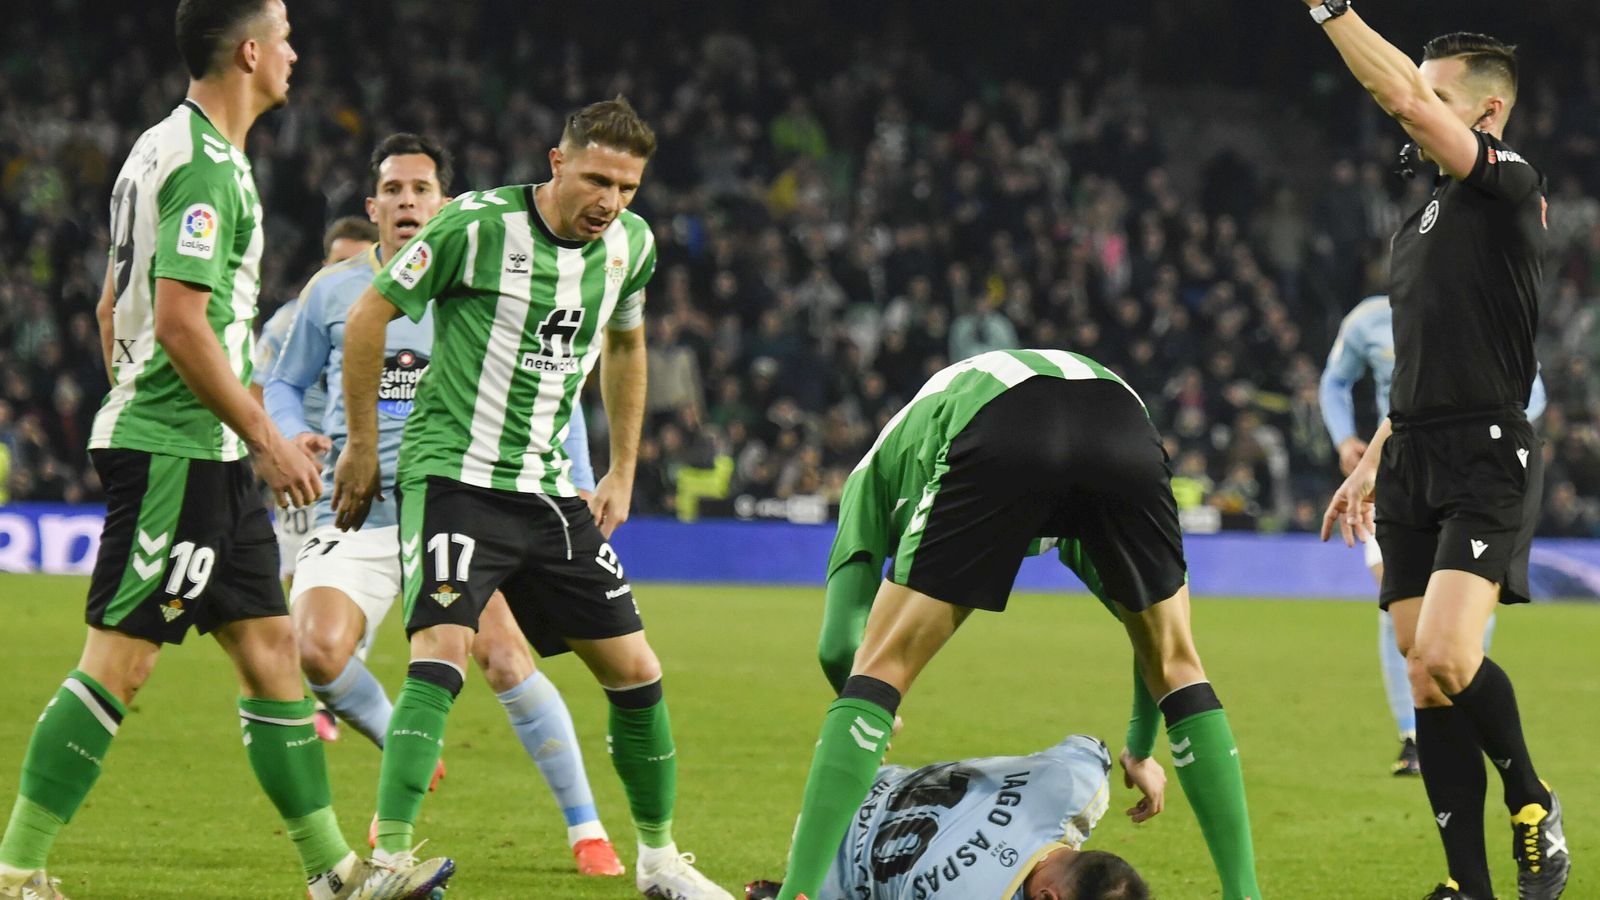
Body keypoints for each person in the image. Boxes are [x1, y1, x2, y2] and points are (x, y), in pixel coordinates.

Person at [0, 3, 450, 898]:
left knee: (273, 655)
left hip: (201, 449)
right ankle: (15, 870)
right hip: (182, 453)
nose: (294, 52)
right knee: (121, 662)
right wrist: (261, 437)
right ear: (249, 52)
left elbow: (112, 308)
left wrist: (192, 417)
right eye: (282, 36)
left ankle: (335, 874)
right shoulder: (206, 165)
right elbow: (179, 323)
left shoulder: (155, 149)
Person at [330, 97, 733, 899]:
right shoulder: (475, 227)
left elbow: (626, 345)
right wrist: (364, 446)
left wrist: (621, 469)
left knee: (636, 670)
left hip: (546, 490)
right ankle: (388, 863)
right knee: (443, 648)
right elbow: (370, 316)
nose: (610, 201)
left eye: (626, 187)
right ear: (557, 163)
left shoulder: (632, 245)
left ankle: (660, 861)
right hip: (454, 477)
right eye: (596, 180)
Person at [774, 349, 1260, 900]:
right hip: (1123, 421)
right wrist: (1139, 748)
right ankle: (1245, 894)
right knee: (1180, 662)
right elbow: (1149, 638)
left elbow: (838, 645)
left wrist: (871, 722)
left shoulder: (871, 477)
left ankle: (797, 894)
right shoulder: (1072, 512)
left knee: (881, 668)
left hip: (997, 422)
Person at [265, 133, 624, 877]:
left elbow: (552, 390)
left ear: (446, 204)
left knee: (504, 657)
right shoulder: (333, 291)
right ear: (373, 207)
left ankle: (587, 829)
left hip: (459, 506)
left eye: (421, 189)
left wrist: (584, 476)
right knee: (316, 649)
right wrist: (294, 432)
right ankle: (402, 739)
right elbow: (285, 381)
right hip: (360, 509)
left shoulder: (481, 279)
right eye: (393, 190)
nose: (407, 202)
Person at [1311, 9, 1570, 898]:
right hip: (1411, 455)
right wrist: (1372, 458)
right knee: (1424, 679)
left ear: (1487, 113)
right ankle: (1469, 888)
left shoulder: (1508, 183)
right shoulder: (1418, 220)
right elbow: (1426, 363)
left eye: (1436, 94)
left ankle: (1533, 799)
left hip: (1485, 450)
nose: (1413, 105)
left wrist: (1330, 11)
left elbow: (1403, 101)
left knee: (1451, 656)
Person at [1319, 294, 1545, 776]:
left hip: (1474, 481)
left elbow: (1534, 391)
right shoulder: (1368, 320)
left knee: (1460, 611)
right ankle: (1413, 733)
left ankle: (1463, 708)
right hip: (1398, 479)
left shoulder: (1483, 312)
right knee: (1399, 606)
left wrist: (1496, 439)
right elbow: (1335, 381)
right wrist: (1346, 441)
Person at [747, 734, 1150, 900]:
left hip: (857, 786)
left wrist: (1141, 757)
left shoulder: (1079, 785)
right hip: (825, 867)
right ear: (1048, 898)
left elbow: (1090, 747)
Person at [254, 215, 378, 744]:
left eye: (357, 260)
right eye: (339, 261)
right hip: (304, 468)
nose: (348, 271)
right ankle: (316, 686)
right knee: (298, 579)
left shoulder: (395, 312)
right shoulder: (291, 320)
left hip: (365, 467)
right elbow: (260, 389)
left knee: (354, 583)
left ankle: (332, 696)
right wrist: (277, 448)